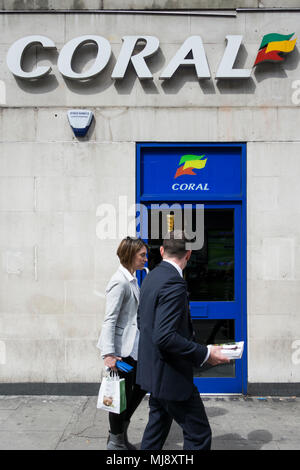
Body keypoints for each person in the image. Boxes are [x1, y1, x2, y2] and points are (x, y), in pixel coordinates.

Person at [136, 231, 230, 450]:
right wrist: (206, 353)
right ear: (188, 254)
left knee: (156, 430)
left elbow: (143, 322)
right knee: (199, 434)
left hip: (155, 371)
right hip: (171, 376)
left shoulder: (151, 276)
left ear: (161, 251)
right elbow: (165, 335)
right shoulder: (174, 283)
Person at [97, 236, 148, 450]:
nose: (146, 259)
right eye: (142, 255)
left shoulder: (132, 278)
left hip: (132, 350)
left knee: (141, 386)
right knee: (120, 394)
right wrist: (108, 353)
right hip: (119, 353)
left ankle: (120, 433)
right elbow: (110, 318)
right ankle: (116, 442)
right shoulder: (119, 281)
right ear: (129, 255)